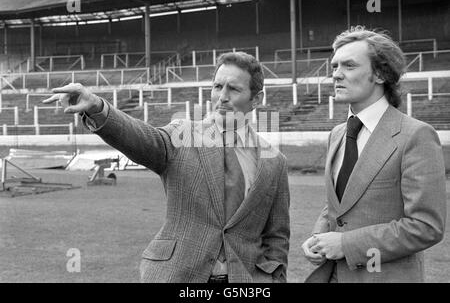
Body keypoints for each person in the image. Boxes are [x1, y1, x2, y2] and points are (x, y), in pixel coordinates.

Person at [44, 52, 290, 283]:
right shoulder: (182, 134)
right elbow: (141, 137)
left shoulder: (274, 162)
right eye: (217, 86)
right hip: (177, 275)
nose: (221, 97)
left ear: (256, 98)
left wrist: (273, 279)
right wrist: (97, 107)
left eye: (234, 89)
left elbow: (277, 236)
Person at [301, 26, 446, 283]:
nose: (336, 75)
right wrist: (319, 236)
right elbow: (340, 204)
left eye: (349, 66)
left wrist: (347, 244)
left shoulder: (415, 136)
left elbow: (426, 227)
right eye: (334, 66)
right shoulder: (336, 134)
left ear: (380, 73)